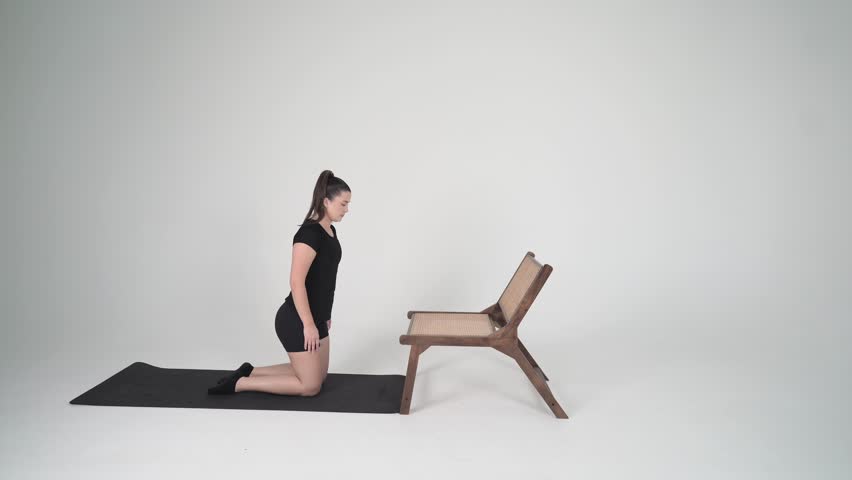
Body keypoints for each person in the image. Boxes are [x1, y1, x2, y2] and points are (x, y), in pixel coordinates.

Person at [207, 170, 351, 395]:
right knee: (310, 386)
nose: (347, 209)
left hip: (318, 317)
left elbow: (325, 278)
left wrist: (325, 314)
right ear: (326, 201)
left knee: (320, 377)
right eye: (343, 204)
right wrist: (308, 325)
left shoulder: (330, 231)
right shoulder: (309, 234)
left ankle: (250, 371)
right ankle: (240, 383)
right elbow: (296, 282)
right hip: (297, 319)